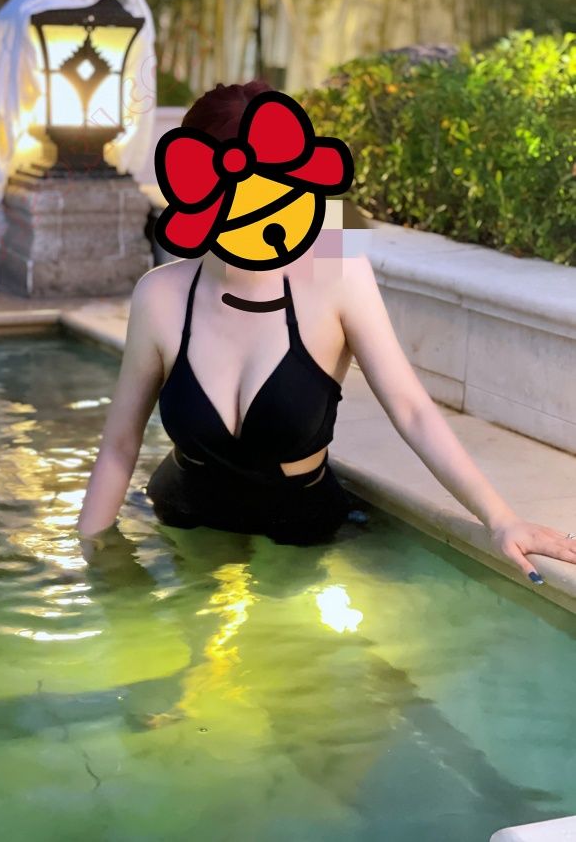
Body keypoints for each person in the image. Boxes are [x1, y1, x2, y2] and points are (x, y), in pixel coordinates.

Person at [77, 81, 576, 583]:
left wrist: (500, 518)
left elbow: (412, 409)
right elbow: (120, 444)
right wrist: (92, 564)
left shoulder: (337, 274)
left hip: (298, 532)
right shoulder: (161, 294)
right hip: (183, 521)